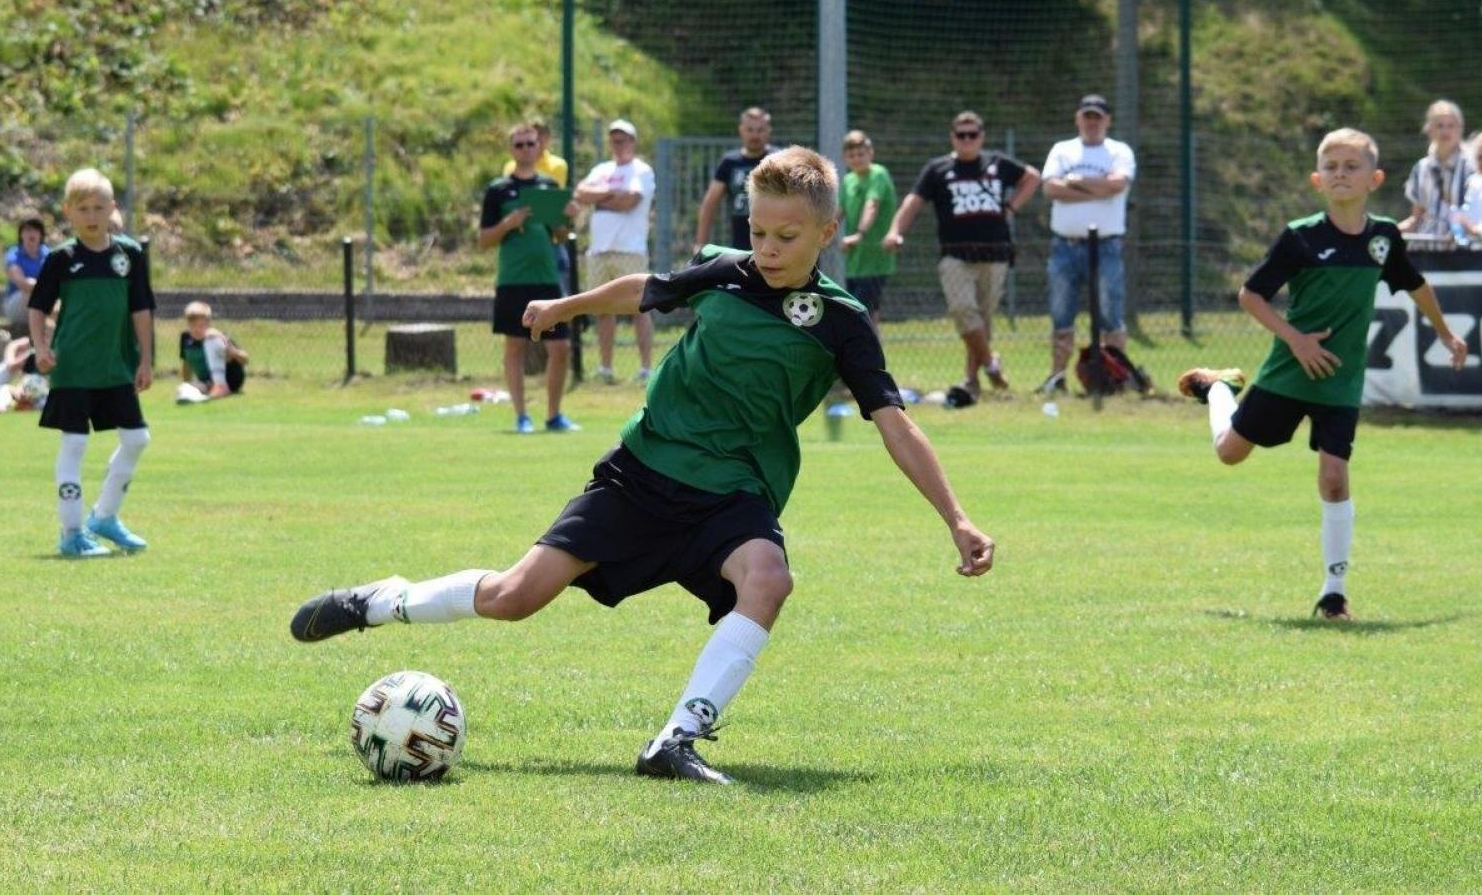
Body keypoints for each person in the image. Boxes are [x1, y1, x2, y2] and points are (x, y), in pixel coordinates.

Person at [291, 146, 996, 785]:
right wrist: (567, 304)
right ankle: (381, 600)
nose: (768, 249)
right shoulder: (725, 272)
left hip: (733, 494)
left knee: (769, 579)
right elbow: (646, 289)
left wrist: (956, 517)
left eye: (786, 237)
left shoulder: (842, 322)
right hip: (643, 474)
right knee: (514, 597)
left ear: (827, 233)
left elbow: (895, 425)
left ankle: (677, 738)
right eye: (758, 232)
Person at [1177, 128, 1468, 621]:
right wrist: (1296, 339)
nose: (1340, 173)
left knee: (1334, 479)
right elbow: (1251, 295)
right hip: (1291, 368)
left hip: (1340, 379)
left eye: (1351, 165)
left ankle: (1334, 594)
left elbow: (1415, 285)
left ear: (1374, 178)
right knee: (1229, 454)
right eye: (1331, 166)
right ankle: (1221, 387)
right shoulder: (1301, 236)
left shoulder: (1383, 238)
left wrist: (1445, 333)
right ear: (1317, 179)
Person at [28, 168, 156, 559]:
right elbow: (37, 308)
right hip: (73, 370)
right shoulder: (61, 258)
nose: (92, 215)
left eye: (99, 207)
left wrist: (146, 359)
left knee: (137, 439)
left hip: (116, 366)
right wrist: (41, 348)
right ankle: (71, 533)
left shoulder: (129, 255)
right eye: (83, 208)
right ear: (69, 211)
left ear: (112, 209)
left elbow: (142, 311)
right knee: (76, 444)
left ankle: (103, 517)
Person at [884, 112, 1039, 406]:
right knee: (962, 309)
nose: (967, 140)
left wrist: (1011, 208)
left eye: (973, 134)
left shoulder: (997, 163)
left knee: (982, 319)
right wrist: (895, 231)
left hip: (995, 253)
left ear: (982, 136)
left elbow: (1032, 177)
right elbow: (912, 203)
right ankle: (991, 363)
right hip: (955, 255)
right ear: (952, 137)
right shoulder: (938, 168)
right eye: (961, 135)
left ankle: (972, 380)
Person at [482, 123, 581, 433]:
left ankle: (553, 415)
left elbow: (560, 235)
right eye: (519, 144)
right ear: (512, 149)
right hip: (513, 278)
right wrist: (508, 224)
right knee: (515, 346)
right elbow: (484, 239)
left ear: (540, 148)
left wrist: (569, 217)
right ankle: (521, 416)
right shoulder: (498, 190)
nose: (526, 149)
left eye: (530, 144)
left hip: (546, 277)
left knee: (561, 347)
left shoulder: (549, 188)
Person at [1036, 95, 1137, 395]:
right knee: (1061, 312)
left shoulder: (1119, 151)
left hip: (1105, 245)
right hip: (1064, 246)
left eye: (1098, 117)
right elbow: (1051, 188)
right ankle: (1057, 377)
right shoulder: (1062, 150)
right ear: (1078, 119)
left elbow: (1118, 185)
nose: (1092, 122)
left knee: (1110, 312)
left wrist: (1075, 182)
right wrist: (1097, 188)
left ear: (1107, 120)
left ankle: (1114, 378)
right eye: (1087, 116)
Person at [573, 119, 656, 383]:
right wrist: (611, 192)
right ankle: (605, 368)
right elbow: (580, 193)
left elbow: (628, 202)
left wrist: (599, 196)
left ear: (633, 142)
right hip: (599, 250)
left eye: (623, 140)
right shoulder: (601, 169)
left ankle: (645, 369)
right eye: (614, 140)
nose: (618, 145)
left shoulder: (642, 170)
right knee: (602, 310)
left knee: (639, 309)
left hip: (629, 250)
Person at [503, 119, 574, 295]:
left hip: (550, 238)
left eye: (535, 139)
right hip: (521, 237)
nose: (527, 147)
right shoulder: (509, 167)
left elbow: (550, 202)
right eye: (521, 144)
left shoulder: (557, 165)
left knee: (559, 297)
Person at [695, 107, 778, 252]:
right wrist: (700, 244)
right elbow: (710, 204)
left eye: (760, 130)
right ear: (741, 130)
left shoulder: (779, 160)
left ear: (768, 131)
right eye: (750, 130)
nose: (755, 135)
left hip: (775, 244)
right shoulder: (729, 162)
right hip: (740, 246)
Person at [838, 130, 898, 327]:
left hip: (876, 258)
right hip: (855, 260)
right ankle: (875, 357)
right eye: (851, 155)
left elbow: (872, 205)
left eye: (861, 154)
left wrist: (859, 235)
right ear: (845, 158)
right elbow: (838, 212)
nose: (856, 159)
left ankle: (863, 356)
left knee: (858, 311)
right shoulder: (848, 180)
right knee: (870, 315)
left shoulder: (878, 174)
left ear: (870, 153)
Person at [1396, 100, 1470, 239]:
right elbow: (1416, 219)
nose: (1445, 131)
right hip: (1426, 249)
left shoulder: (1471, 167)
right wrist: (1388, 231)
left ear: (1460, 129)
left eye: (1451, 125)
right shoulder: (1421, 168)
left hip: (1465, 252)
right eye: (1439, 126)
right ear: (1429, 130)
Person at [176, 301, 249, 403]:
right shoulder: (186, 338)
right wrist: (187, 383)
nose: (197, 329)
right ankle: (202, 395)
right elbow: (187, 363)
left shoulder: (217, 338)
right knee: (182, 389)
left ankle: (220, 386)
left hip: (230, 380)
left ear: (208, 324)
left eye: (201, 325)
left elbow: (245, 360)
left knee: (211, 340)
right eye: (193, 325)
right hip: (207, 381)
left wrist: (231, 351)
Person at [2, 213, 50, 326]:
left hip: (42, 302)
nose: (31, 234)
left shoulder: (48, 254)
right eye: (27, 230)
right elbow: (22, 284)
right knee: (30, 289)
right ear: (21, 234)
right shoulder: (13, 255)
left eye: (35, 230)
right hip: (17, 305)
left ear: (41, 234)